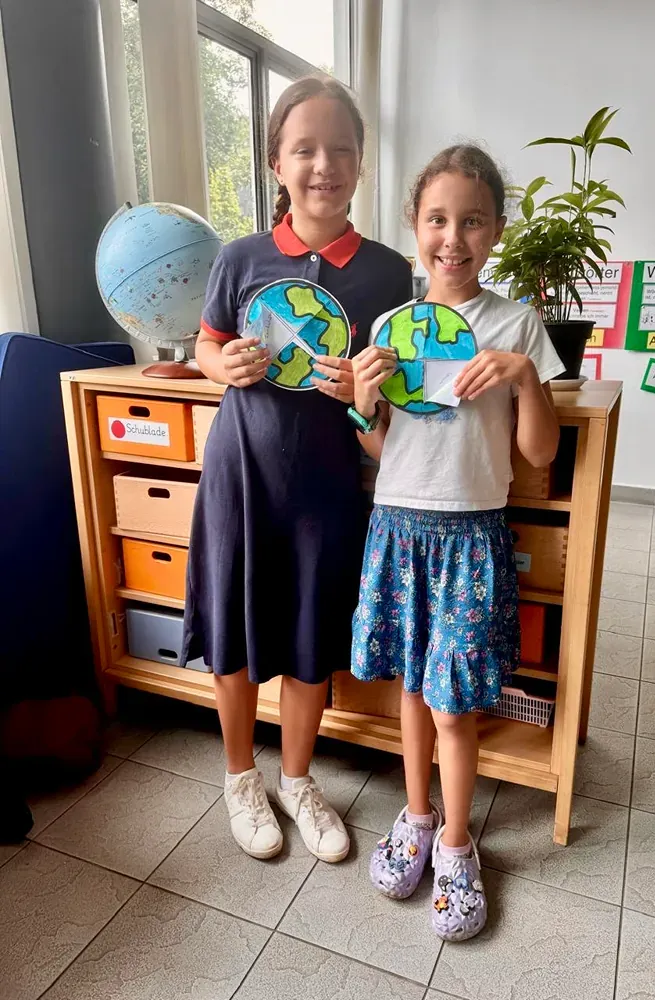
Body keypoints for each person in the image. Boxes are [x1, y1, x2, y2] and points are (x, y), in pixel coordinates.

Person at [182, 77, 413, 864]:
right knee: (237, 632)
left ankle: (298, 776)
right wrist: (227, 364)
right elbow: (207, 344)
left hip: (328, 482)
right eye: (305, 149)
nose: (325, 164)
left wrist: (365, 390)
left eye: (342, 149)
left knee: (314, 631)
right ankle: (240, 776)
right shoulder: (240, 256)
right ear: (277, 162)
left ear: (360, 163)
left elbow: (394, 397)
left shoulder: (387, 272)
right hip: (242, 474)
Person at [349, 144, 564, 939]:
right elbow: (384, 450)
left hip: (472, 537)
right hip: (398, 529)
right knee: (411, 688)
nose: (453, 237)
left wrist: (523, 377)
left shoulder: (516, 324)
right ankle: (413, 813)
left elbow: (538, 454)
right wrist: (365, 403)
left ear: (496, 231)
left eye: (472, 221)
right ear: (414, 227)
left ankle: (455, 843)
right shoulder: (391, 327)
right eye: (438, 219)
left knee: (452, 706)